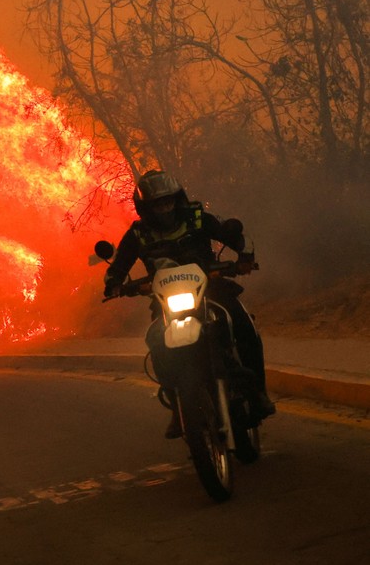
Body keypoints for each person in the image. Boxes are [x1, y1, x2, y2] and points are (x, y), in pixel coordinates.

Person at [103, 169, 275, 439]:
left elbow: (235, 237)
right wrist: (114, 283)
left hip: (212, 288)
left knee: (242, 323)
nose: (165, 209)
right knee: (156, 340)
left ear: (177, 198)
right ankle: (179, 409)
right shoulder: (138, 234)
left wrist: (244, 257)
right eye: (157, 204)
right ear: (146, 208)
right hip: (166, 300)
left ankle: (259, 393)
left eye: (168, 201)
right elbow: (118, 266)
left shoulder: (197, 217)